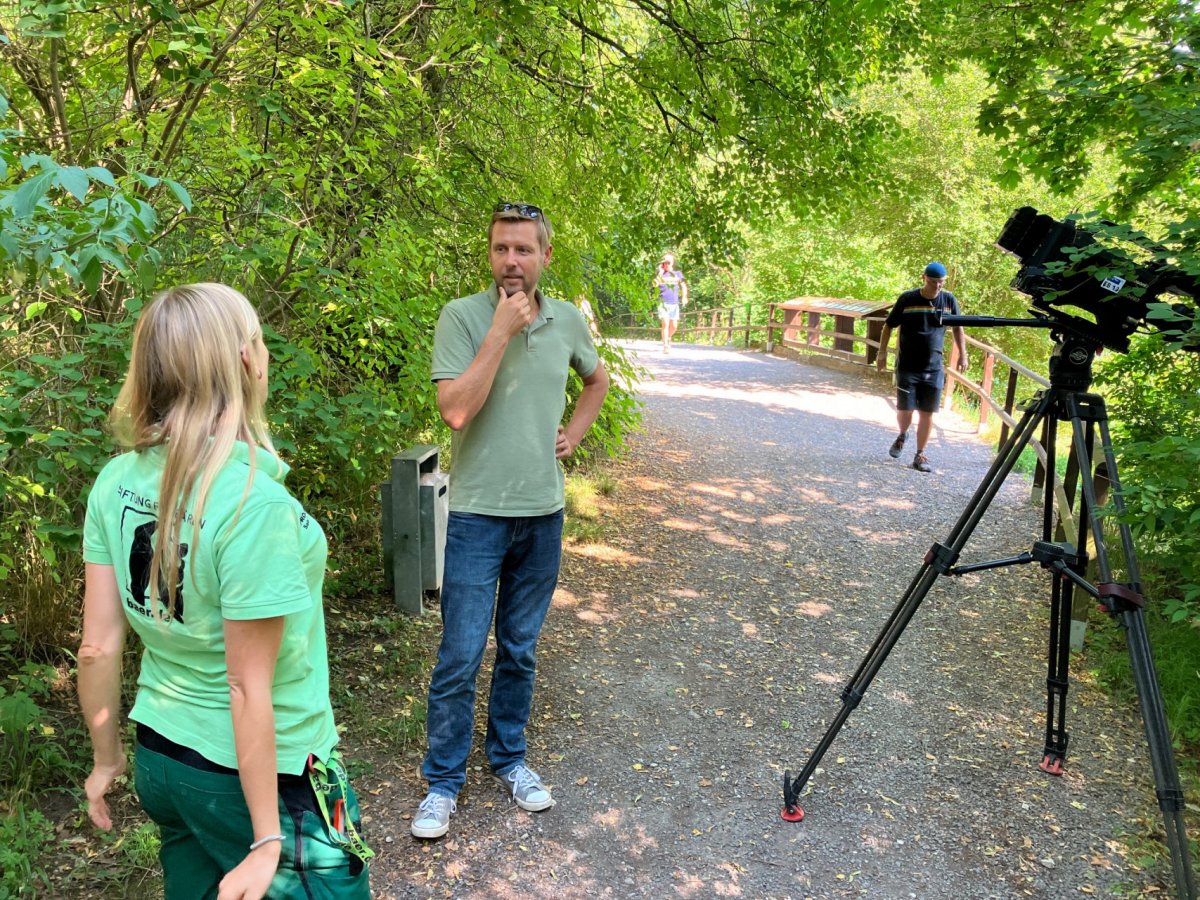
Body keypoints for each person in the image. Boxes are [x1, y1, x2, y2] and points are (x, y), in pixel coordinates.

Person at [78, 283, 372, 900]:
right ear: (246, 361)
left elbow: (98, 647)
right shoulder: (252, 503)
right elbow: (246, 685)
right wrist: (268, 838)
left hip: (163, 758)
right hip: (278, 777)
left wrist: (106, 760)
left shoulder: (115, 480)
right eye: (259, 342)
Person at [412, 202, 609, 840]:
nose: (511, 262)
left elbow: (595, 381)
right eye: (501, 249)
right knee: (461, 655)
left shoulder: (568, 321)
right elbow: (456, 412)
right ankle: (443, 783)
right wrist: (499, 329)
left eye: (524, 250)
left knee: (519, 651)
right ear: (489, 255)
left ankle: (511, 761)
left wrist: (573, 437)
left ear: (545, 256)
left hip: (542, 516)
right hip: (475, 517)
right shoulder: (463, 317)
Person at [876, 261, 968, 473]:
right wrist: (881, 353)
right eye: (933, 282)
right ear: (923, 278)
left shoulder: (948, 300)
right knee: (905, 410)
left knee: (927, 413)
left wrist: (963, 354)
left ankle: (920, 454)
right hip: (908, 365)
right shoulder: (908, 299)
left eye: (941, 283)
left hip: (934, 367)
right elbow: (889, 325)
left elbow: (957, 328)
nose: (937, 286)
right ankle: (902, 433)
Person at [654, 252, 688, 352]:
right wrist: (660, 272)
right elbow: (655, 285)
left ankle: (667, 337)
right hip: (663, 303)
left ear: (672, 263)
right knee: (665, 323)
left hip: (674, 303)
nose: (667, 264)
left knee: (674, 326)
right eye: (665, 262)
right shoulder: (660, 275)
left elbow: (683, 286)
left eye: (669, 262)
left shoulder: (678, 274)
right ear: (662, 264)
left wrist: (684, 297)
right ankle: (665, 345)